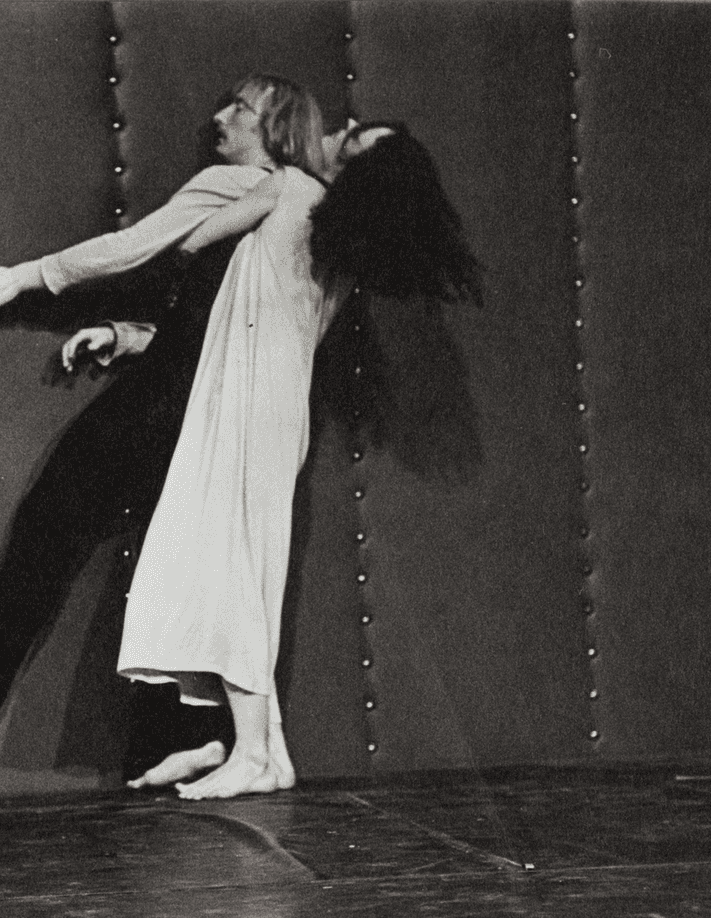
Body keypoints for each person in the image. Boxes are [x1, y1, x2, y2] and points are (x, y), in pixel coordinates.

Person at [0, 76, 323, 759]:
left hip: (170, 396)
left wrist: (24, 277)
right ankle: (201, 737)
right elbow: (221, 320)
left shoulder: (235, 184)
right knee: (177, 565)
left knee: (55, 512)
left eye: (239, 107)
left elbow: (132, 247)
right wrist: (124, 336)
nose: (220, 116)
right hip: (209, 401)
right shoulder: (298, 214)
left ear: (274, 128)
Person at [100, 120, 485, 793]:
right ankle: (253, 747)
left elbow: (182, 243)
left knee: (230, 571)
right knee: (224, 565)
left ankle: (251, 753)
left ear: (357, 168)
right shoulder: (341, 245)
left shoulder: (292, 189)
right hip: (271, 406)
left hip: (247, 404)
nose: (337, 130)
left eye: (354, 136)